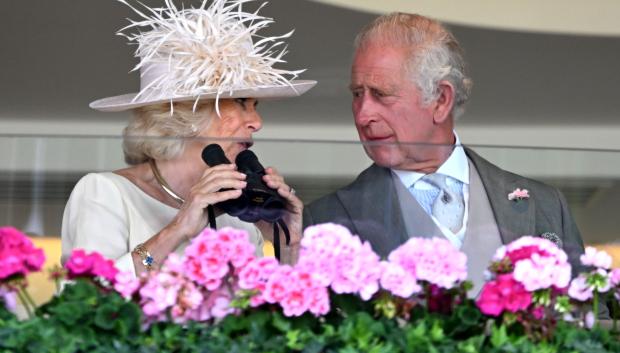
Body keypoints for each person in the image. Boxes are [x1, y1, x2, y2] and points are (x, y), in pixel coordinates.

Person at [303, 13, 585, 294]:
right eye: (357, 94)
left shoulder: (548, 206)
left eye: (381, 94)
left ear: (441, 100)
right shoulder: (324, 220)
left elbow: (594, 319)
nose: (363, 115)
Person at [61, 0, 315, 276]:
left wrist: (290, 246)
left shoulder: (238, 217)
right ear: (187, 113)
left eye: (256, 106)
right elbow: (88, 299)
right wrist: (177, 230)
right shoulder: (106, 193)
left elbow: (257, 314)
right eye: (242, 102)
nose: (257, 122)